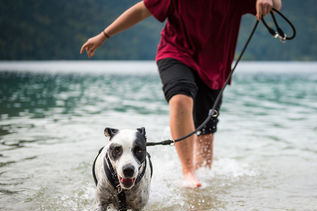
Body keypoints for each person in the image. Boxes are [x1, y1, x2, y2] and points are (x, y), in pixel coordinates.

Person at [81, 0, 282, 188]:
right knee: (180, 99)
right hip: (175, 53)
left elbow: (276, 6)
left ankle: (202, 183)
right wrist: (103, 36)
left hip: (215, 67)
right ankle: (187, 172)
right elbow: (142, 10)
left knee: (206, 136)